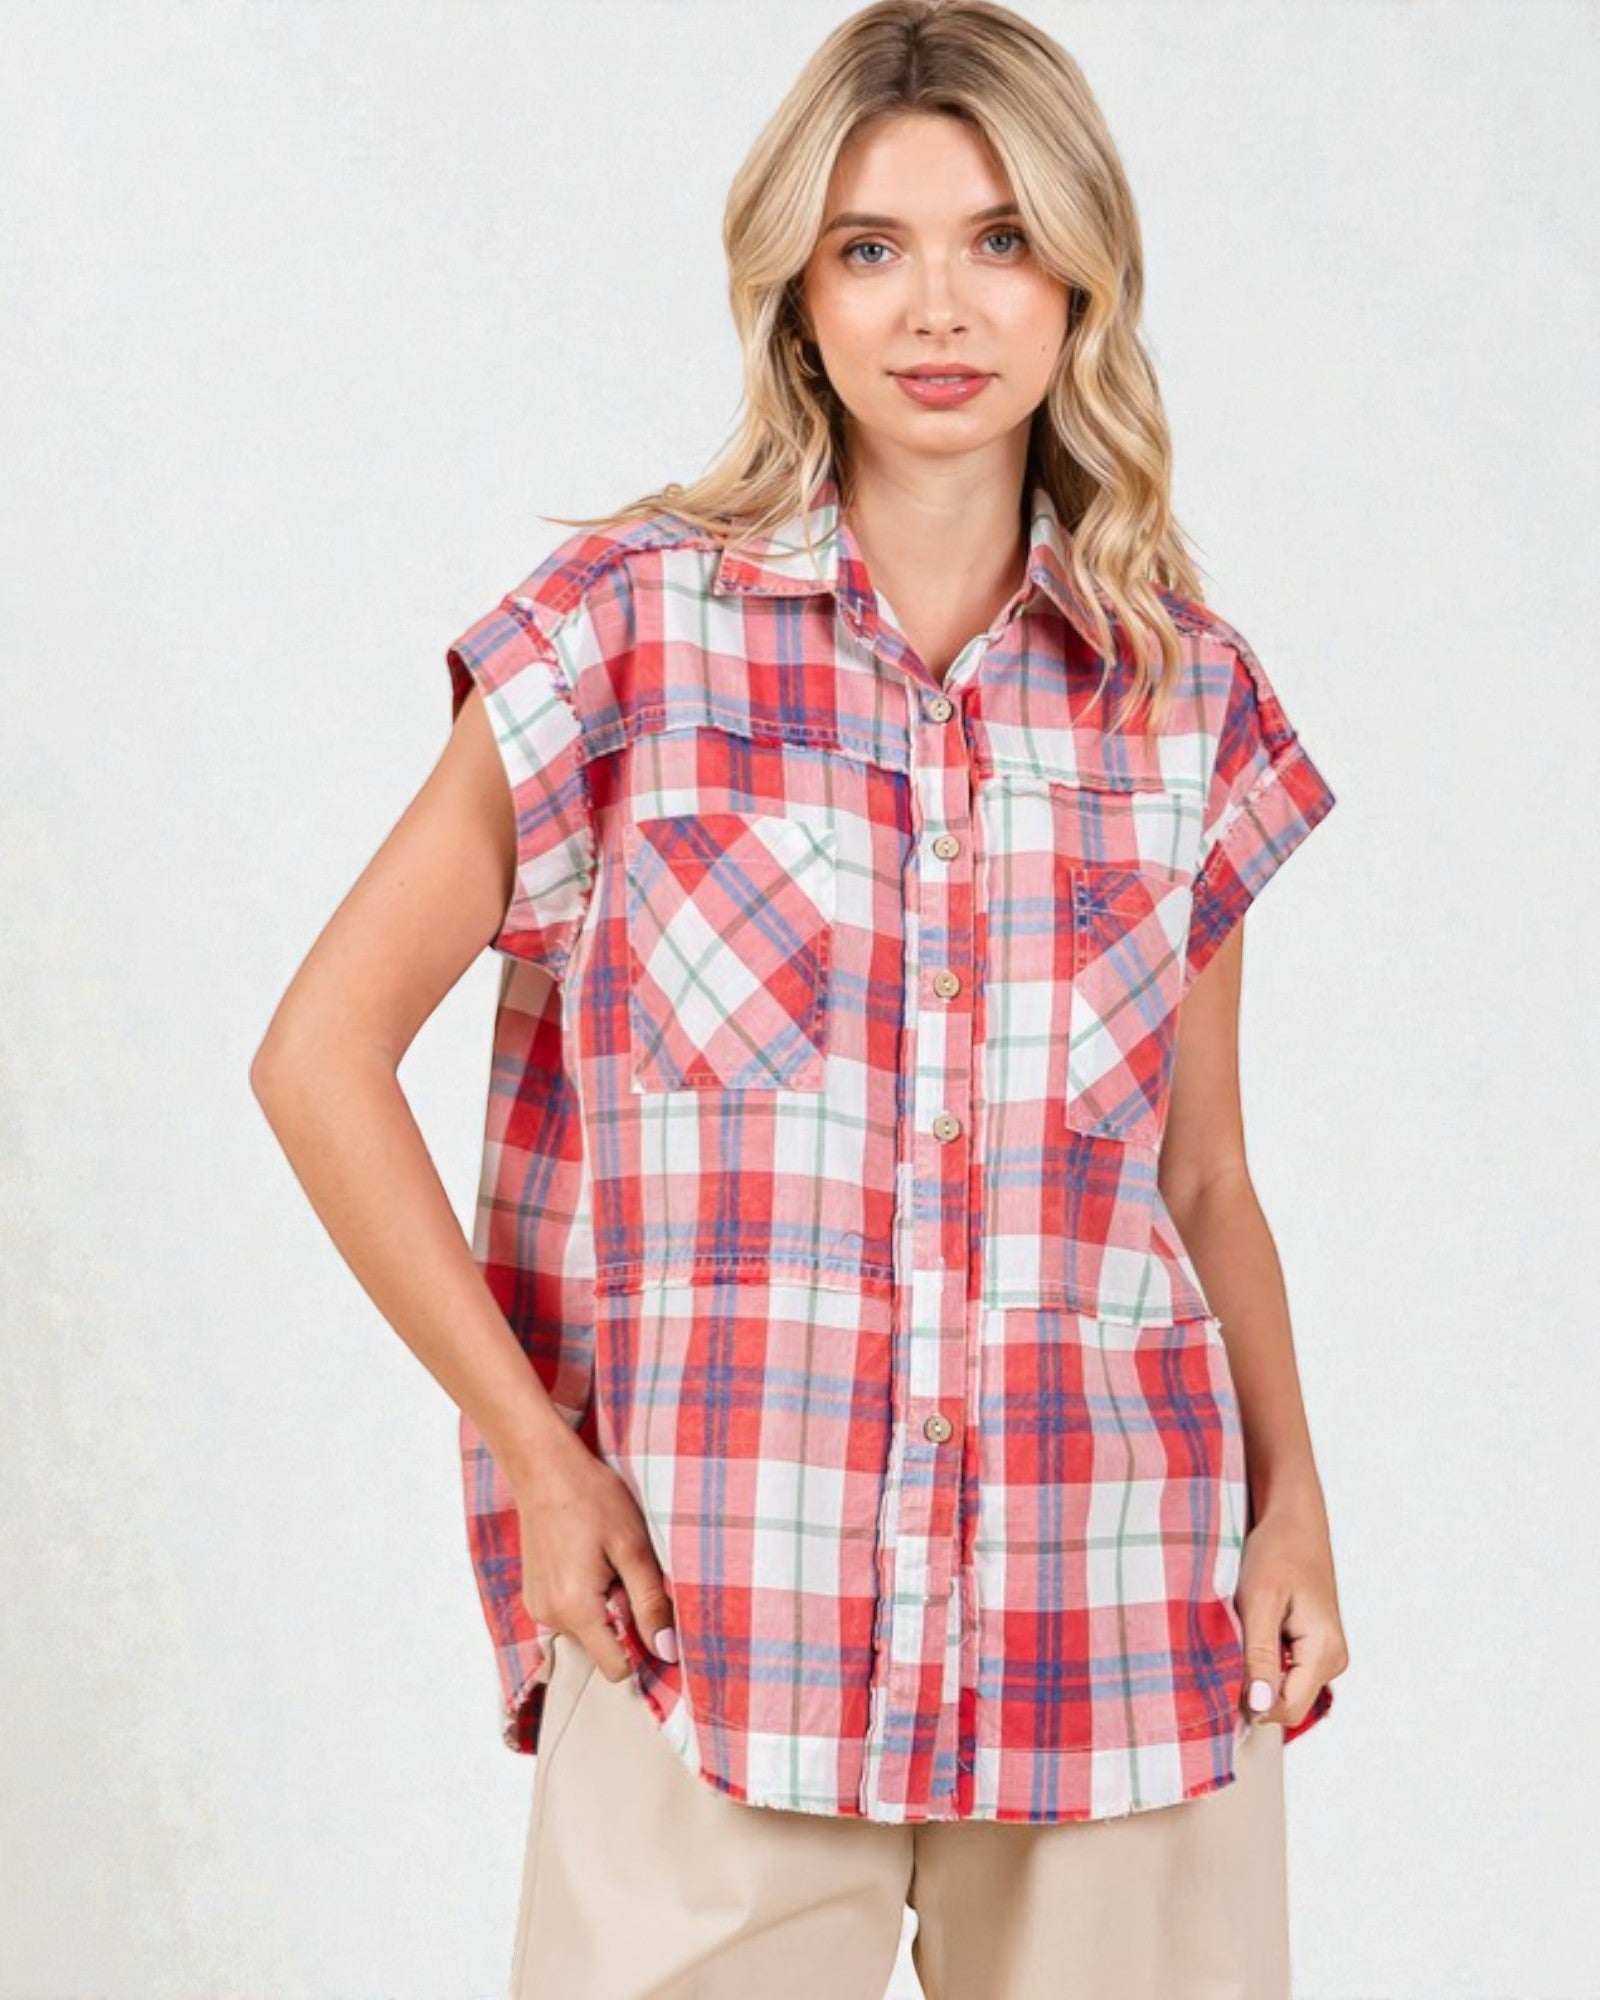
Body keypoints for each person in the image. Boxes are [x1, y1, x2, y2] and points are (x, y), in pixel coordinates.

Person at [251, 2, 1350, 1993]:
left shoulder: (1176, 693)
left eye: (997, 238)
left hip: (1111, 1611)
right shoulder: (620, 641)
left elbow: (1202, 1179)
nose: (938, 304)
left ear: (1080, 274)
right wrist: (532, 1448)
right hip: (709, 1626)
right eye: (872, 244)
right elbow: (318, 1056)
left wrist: (1293, 1512)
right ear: (795, 286)